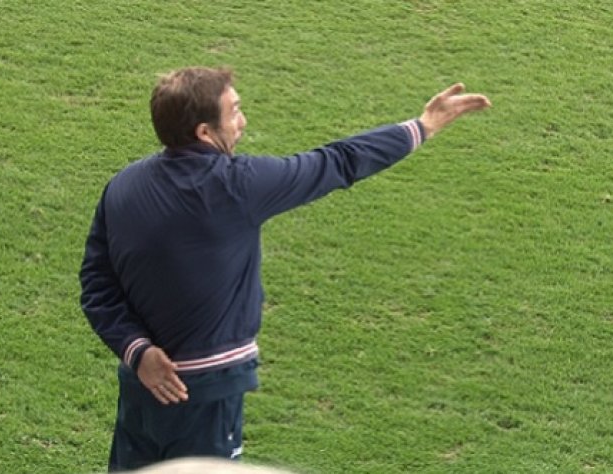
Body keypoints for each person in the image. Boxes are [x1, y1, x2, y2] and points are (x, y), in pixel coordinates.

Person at [79, 66, 490, 472]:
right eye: (234, 111)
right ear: (204, 132)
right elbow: (338, 162)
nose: (243, 121)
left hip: (142, 385)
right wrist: (423, 125)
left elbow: (97, 284)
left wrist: (137, 351)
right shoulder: (237, 186)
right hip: (205, 395)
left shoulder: (123, 186)